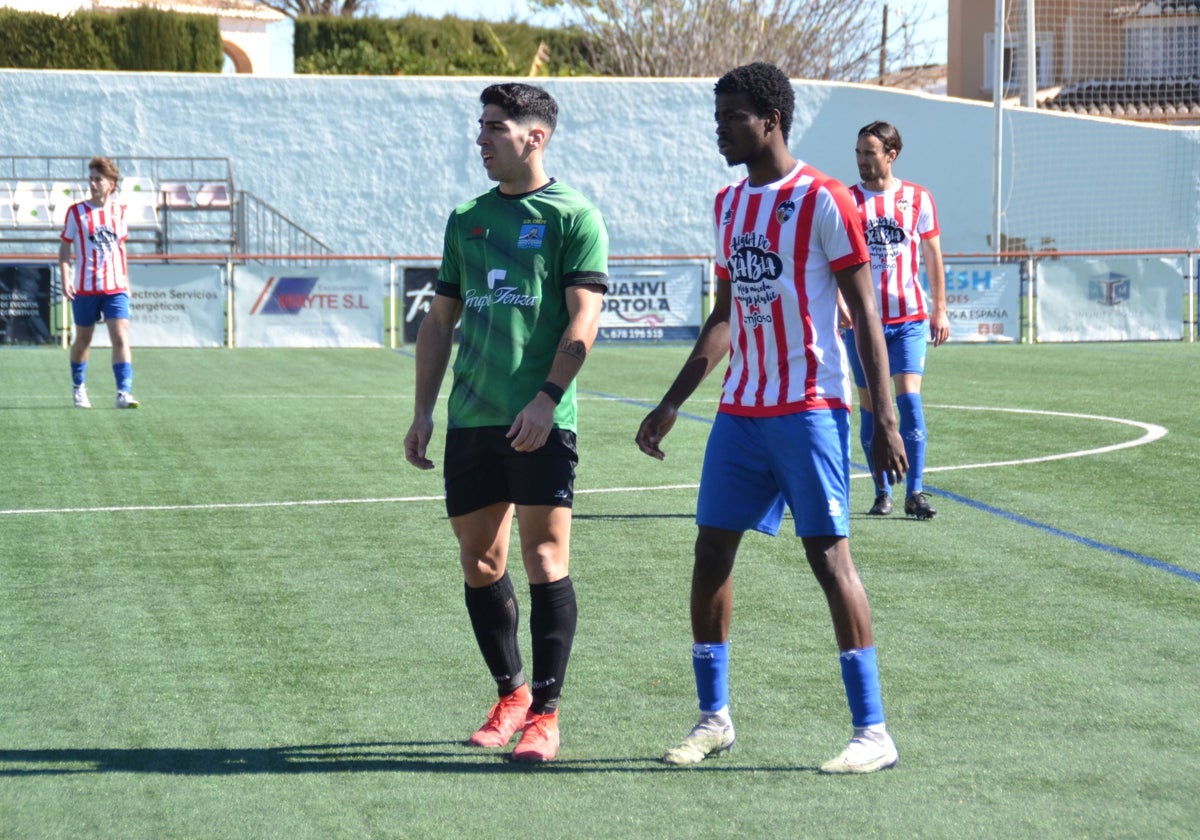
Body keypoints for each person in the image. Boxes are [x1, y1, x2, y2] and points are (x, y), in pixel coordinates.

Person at [635, 63, 907, 774]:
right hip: (741, 411)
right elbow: (724, 317)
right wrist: (671, 401)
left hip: (810, 407)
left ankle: (873, 731)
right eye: (718, 114)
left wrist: (883, 416)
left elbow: (868, 315)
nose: (718, 127)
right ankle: (714, 717)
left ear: (770, 120)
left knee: (829, 560)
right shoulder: (729, 206)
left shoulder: (823, 200)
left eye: (730, 116)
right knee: (709, 554)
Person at [403, 82, 608, 763]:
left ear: (535, 137)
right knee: (480, 560)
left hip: (543, 418)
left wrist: (548, 398)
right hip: (472, 419)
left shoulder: (572, 215)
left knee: (545, 559)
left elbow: (584, 319)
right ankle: (511, 691)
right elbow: (440, 321)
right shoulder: (467, 219)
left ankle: (546, 715)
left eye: (495, 126)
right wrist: (423, 411)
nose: (481, 137)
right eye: (481, 125)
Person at [841, 121, 948, 519]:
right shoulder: (847, 200)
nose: (862, 161)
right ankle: (882, 491)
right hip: (863, 325)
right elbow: (831, 256)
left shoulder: (918, 198)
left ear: (891, 154)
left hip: (909, 319)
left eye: (869, 153)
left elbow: (933, 255)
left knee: (910, 403)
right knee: (871, 408)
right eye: (858, 153)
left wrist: (940, 308)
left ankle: (915, 491)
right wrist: (839, 301)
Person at [58, 156, 139, 409]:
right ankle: (78, 387)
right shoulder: (76, 212)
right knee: (83, 339)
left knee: (121, 337)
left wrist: (126, 280)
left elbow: (120, 247)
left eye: (98, 179)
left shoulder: (120, 211)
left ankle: (123, 393)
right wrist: (65, 278)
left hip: (115, 288)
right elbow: (64, 250)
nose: (92, 184)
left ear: (111, 184)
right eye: (90, 179)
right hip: (85, 287)